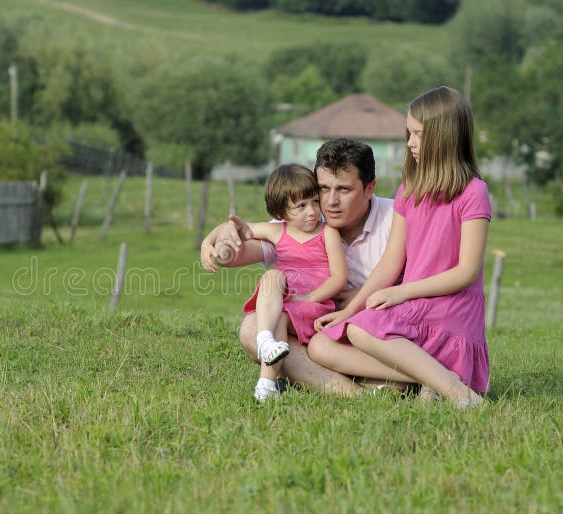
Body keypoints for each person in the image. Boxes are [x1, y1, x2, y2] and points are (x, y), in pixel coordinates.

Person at [314, 86, 489, 407]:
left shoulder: (473, 192)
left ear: (444, 137)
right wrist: (350, 311)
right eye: (409, 133)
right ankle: (435, 377)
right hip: (414, 308)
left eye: (418, 134)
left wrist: (401, 292)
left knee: (361, 332)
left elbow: (466, 272)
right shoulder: (409, 191)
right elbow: (390, 263)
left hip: (451, 307)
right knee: (320, 347)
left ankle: (458, 393)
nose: (410, 143)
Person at [202, 138, 409, 397]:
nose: (330, 201)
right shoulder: (308, 218)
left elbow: (423, 279)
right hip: (318, 326)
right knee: (252, 329)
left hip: (370, 328)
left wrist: (362, 295)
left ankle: (389, 379)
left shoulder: (396, 218)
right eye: (323, 188)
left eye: (343, 189)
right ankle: (355, 392)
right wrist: (218, 238)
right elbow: (242, 246)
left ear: (369, 188)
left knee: (326, 344)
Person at [232, 164, 347, 401]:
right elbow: (240, 229)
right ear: (280, 213)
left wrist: (310, 297)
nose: (312, 211)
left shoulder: (327, 233)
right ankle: (265, 340)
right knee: (271, 276)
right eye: (301, 206)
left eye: (315, 201)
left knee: (280, 317)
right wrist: (209, 241)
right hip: (287, 300)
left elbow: (339, 278)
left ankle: (266, 382)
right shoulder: (278, 232)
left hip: (315, 304)